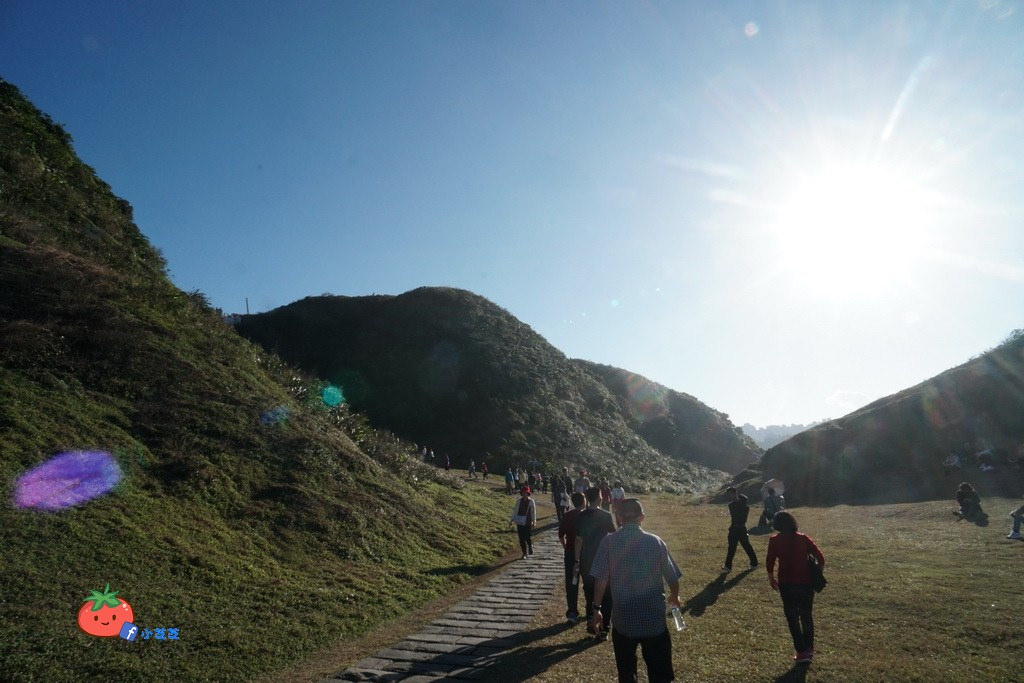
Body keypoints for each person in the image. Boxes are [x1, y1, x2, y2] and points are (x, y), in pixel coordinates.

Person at [590, 498, 682, 683]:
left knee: (627, 671)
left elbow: (601, 579)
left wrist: (596, 609)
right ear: (642, 518)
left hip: (624, 621)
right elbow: (672, 577)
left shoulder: (608, 542)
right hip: (654, 621)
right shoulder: (656, 542)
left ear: (619, 518)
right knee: (660, 672)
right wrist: (674, 596)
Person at [766, 511, 825, 664]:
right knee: (806, 615)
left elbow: (770, 561)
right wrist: (817, 574)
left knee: (792, 617)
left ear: (777, 525)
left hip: (787, 584)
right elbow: (821, 557)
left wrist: (771, 578)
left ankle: (801, 651)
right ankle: (809, 647)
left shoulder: (774, 540)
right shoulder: (803, 538)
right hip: (806, 583)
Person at [575, 487, 616, 637]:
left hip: (587, 558)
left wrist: (576, 560)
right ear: (599, 497)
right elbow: (613, 534)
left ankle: (592, 622)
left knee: (589, 591)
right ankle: (605, 626)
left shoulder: (581, 516)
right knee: (606, 593)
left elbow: (578, 539)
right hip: (604, 557)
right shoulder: (605, 515)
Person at [558, 492, 587, 623]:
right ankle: (590, 611)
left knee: (571, 583)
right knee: (589, 582)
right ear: (584, 501)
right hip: (586, 553)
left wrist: (566, 547)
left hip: (570, 553)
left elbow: (560, 535)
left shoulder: (567, 515)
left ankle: (572, 612)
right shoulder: (587, 515)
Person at [722, 486, 759, 572]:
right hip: (734, 528)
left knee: (746, 546)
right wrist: (738, 496)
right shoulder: (732, 505)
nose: (730, 497)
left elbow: (744, 501)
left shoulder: (743, 505)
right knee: (731, 547)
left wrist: (738, 495)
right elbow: (743, 501)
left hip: (741, 528)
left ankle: (754, 563)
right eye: (729, 495)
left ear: (736, 493)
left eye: (731, 494)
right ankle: (728, 566)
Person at [510, 485, 537, 559]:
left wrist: (534, 521)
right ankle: (524, 553)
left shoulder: (531, 501)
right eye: (523, 493)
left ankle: (530, 545)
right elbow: (515, 511)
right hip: (519, 521)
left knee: (527, 536)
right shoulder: (518, 501)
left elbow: (533, 512)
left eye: (526, 493)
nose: (524, 494)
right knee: (521, 538)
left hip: (528, 521)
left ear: (528, 493)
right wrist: (512, 520)